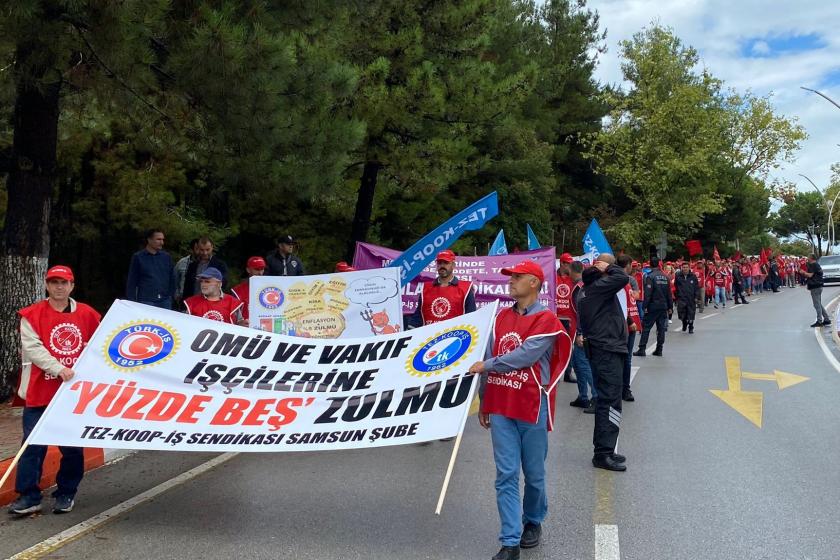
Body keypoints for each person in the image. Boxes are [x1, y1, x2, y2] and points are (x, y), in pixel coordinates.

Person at [468, 260, 570, 560]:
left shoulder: (547, 320)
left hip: (531, 405)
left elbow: (524, 356)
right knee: (506, 474)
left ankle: (533, 520)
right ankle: (510, 541)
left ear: (535, 283)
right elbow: (490, 353)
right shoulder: (500, 317)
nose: (511, 282)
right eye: (510, 277)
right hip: (501, 404)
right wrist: (484, 398)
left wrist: (487, 365)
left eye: (517, 277)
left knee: (535, 476)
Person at [10, 266, 101, 515]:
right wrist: (59, 368)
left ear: (72, 286)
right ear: (47, 285)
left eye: (64, 282)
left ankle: (66, 492)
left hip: (73, 394)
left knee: (72, 447)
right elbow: (33, 349)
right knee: (32, 446)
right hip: (41, 391)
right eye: (54, 282)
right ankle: (29, 495)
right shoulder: (31, 314)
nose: (59, 287)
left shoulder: (89, 314)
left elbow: (101, 347)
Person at [577, 254, 629, 472]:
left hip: (605, 350)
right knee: (609, 401)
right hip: (606, 351)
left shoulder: (587, 291)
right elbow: (622, 278)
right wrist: (610, 267)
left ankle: (606, 449)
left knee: (610, 401)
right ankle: (603, 453)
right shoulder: (597, 290)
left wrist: (605, 270)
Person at [407, 250, 475, 328]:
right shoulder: (426, 288)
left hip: (454, 337)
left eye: (446, 263)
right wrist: (409, 330)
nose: (442, 266)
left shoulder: (465, 288)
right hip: (429, 337)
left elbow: (471, 318)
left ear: (453, 265)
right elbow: (419, 316)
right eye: (439, 263)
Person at [568, 261, 597, 412]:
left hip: (582, 332)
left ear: (573, 271)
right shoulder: (583, 287)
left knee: (583, 365)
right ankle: (583, 396)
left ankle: (596, 396)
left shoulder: (580, 289)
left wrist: (580, 333)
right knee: (578, 365)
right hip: (582, 331)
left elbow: (582, 313)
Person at [125, 228, 175, 309]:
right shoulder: (138, 257)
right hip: (146, 300)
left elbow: (172, 278)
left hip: (165, 301)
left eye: (163, 239)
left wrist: (170, 296)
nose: (162, 242)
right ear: (149, 240)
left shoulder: (166, 257)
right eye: (158, 239)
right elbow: (132, 281)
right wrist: (132, 301)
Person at [633, 257, 672, 357]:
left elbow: (648, 293)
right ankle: (659, 349)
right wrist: (670, 307)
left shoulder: (650, 276)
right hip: (663, 306)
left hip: (653, 306)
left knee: (646, 328)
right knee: (661, 328)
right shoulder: (665, 276)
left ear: (650, 265)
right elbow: (669, 293)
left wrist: (644, 306)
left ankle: (642, 349)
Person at [617, 255, 641, 402]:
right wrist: (630, 320)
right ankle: (623, 389)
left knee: (627, 358)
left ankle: (624, 388)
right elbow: (620, 305)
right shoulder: (617, 281)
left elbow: (634, 298)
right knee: (623, 359)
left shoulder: (630, 280)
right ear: (628, 265)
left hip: (631, 324)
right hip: (623, 324)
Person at [555, 252, 578, 384]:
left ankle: (568, 373)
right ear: (562, 263)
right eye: (568, 264)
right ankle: (556, 374)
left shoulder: (574, 278)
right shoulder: (553, 277)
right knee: (555, 347)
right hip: (556, 317)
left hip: (570, 318)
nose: (570, 266)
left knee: (569, 346)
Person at [798, 254, 831, 328]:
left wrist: (802, 272)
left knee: (816, 304)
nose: (807, 259)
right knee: (819, 304)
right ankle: (826, 319)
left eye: (808, 257)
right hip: (818, 285)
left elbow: (810, 275)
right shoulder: (816, 265)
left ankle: (819, 321)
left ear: (812, 258)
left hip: (815, 286)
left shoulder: (813, 265)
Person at [231, 256, 266, 322]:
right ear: (248, 270)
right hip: (246, 329)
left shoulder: (271, 287)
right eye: (257, 269)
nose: (260, 273)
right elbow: (234, 316)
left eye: (262, 269)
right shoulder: (237, 291)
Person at [674, 262, 699, 333]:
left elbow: (696, 287)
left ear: (689, 268)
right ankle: (684, 323)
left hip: (691, 298)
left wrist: (696, 296)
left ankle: (691, 327)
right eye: (684, 267)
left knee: (691, 313)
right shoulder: (678, 276)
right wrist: (677, 296)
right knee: (682, 313)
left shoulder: (693, 276)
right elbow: (676, 287)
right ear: (682, 268)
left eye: (686, 267)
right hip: (681, 298)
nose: (685, 269)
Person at [174, 238, 199, 307]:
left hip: (200, 300)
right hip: (183, 299)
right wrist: (177, 295)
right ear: (191, 250)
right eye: (197, 248)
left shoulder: (207, 264)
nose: (200, 251)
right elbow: (174, 280)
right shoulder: (182, 262)